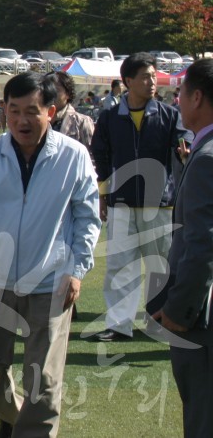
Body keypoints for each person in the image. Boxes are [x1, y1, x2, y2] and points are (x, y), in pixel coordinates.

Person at [0, 72, 101, 438]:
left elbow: (88, 216)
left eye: (32, 111)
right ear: (3, 112)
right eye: (14, 111)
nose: (22, 121)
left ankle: (31, 430)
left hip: (51, 282)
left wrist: (76, 269)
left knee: (42, 379)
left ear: (52, 111)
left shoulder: (73, 156)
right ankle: (16, 418)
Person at [91, 52, 187, 342]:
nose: (152, 82)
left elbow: (185, 142)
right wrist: (104, 195)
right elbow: (101, 156)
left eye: (153, 76)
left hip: (160, 203)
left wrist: (185, 152)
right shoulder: (109, 117)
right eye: (145, 76)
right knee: (121, 265)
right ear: (128, 81)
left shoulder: (170, 115)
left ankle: (158, 322)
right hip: (121, 203)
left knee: (161, 265)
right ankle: (119, 324)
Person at [151, 58, 213, 437]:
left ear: (197, 96)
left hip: (202, 320)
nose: (178, 100)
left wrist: (178, 311)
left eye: (182, 92)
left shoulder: (206, 159)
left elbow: (202, 243)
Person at [44, 71, 95, 149]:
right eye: (47, 90)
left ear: (68, 93)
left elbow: (91, 154)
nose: (50, 94)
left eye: (56, 90)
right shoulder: (37, 118)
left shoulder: (82, 122)